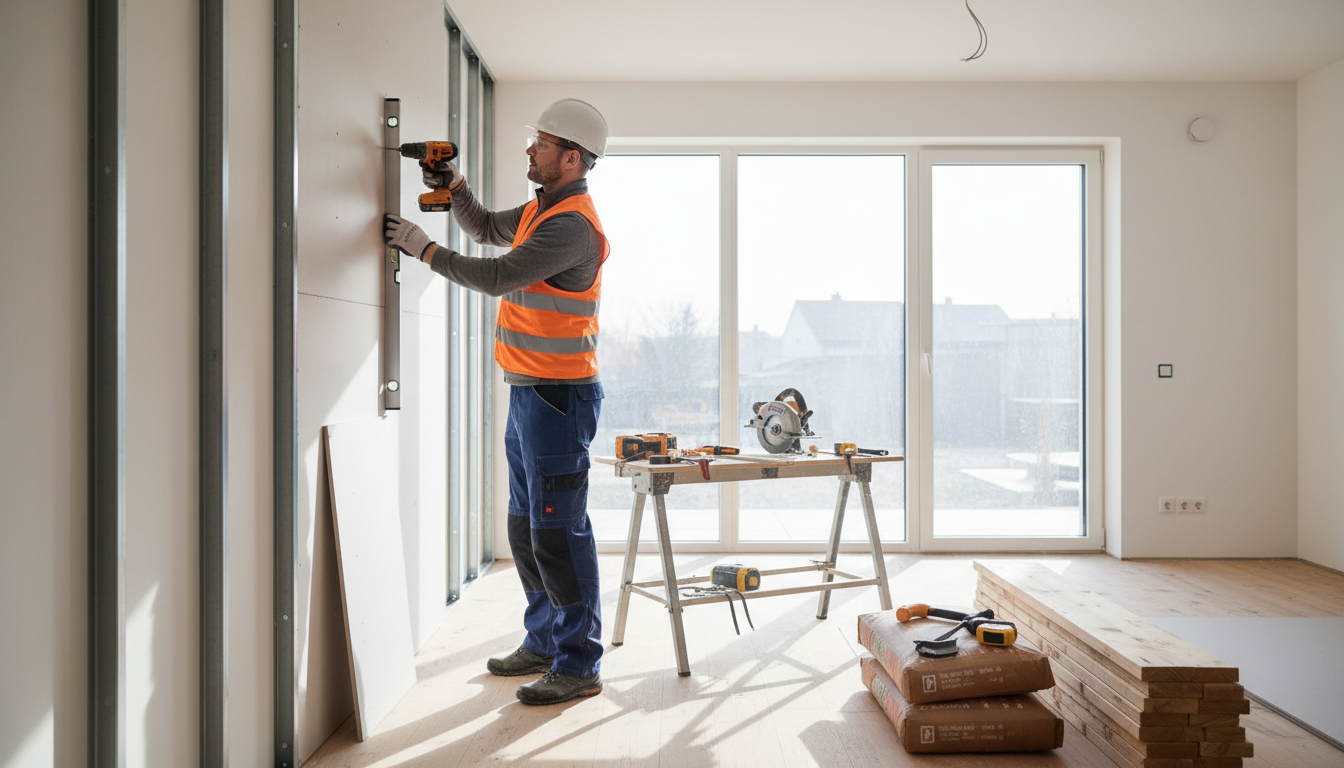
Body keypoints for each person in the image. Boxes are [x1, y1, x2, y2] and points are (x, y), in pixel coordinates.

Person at [383, 98, 610, 706]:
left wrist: (423, 249)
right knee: (525, 525)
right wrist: (455, 187)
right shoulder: (541, 209)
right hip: (530, 392)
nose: (530, 149)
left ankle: (579, 662)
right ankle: (545, 641)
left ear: (571, 158)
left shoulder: (572, 227)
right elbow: (484, 227)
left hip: (559, 398)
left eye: (542, 143)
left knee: (558, 533)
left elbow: (496, 276)